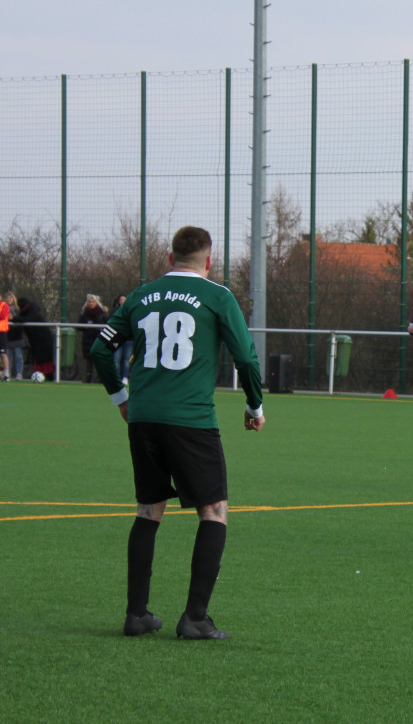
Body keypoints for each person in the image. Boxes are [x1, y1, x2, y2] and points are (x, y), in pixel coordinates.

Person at [90, 226, 264, 640]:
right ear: (209, 261)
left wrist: (121, 399)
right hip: (191, 420)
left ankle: (136, 615)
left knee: (148, 510)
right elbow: (245, 357)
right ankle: (195, 618)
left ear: (170, 258)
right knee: (214, 511)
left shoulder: (141, 295)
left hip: (143, 418)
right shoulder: (218, 296)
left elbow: (100, 349)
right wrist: (254, 405)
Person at [16, 297, 54, 379]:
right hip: (36, 341)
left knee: (45, 360)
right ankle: (40, 375)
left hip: (43, 339)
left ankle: (49, 376)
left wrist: (14, 318)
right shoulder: (25, 312)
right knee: (38, 359)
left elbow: (28, 319)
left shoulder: (32, 310)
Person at [78, 294, 109, 383]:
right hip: (87, 340)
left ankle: (100, 379)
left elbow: (108, 325)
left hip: (99, 340)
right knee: (89, 361)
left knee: (99, 360)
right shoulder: (84, 314)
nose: (91, 303)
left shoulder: (102, 314)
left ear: (97, 302)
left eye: (93, 302)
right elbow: (78, 326)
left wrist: (102, 329)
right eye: (89, 302)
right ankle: (88, 379)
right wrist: (84, 327)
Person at [110, 294, 134, 384]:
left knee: (126, 359)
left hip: (128, 339)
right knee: (116, 359)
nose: (122, 301)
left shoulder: (131, 310)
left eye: (124, 299)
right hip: (117, 337)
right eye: (121, 299)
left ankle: (125, 377)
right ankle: (116, 378)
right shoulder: (114, 311)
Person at [4, 292, 25, 379]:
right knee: (8, 356)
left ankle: (19, 373)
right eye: (7, 298)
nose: (9, 299)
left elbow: (21, 320)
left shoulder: (18, 310)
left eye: (11, 298)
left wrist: (12, 318)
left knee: (18, 356)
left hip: (17, 337)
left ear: (14, 299)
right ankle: (7, 373)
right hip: (7, 336)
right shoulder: (3, 309)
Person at [0, 292, 10, 381]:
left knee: (3, 353)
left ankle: (6, 375)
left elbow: (3, 316)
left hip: (2, 332)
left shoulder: (5, 305)